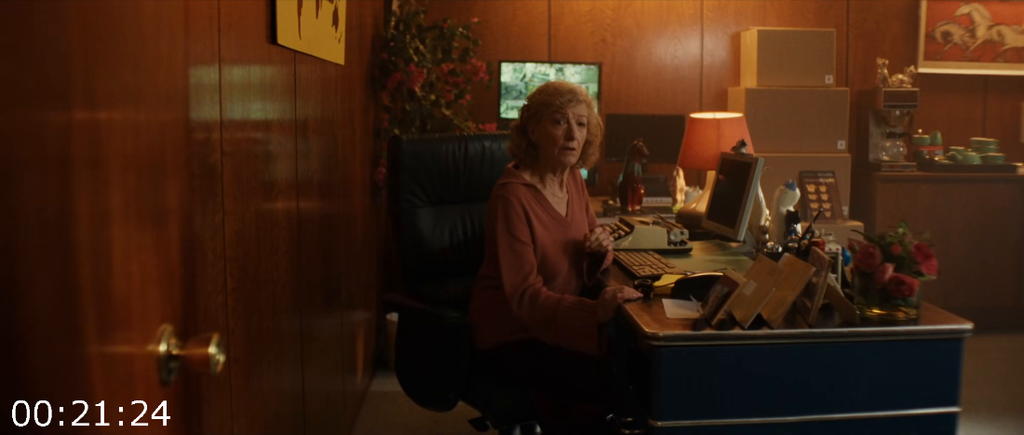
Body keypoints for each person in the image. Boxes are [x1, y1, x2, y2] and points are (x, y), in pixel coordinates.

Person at [468, 81, 642, 434]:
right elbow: (525, 298)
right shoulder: (512, 197)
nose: (572, 135)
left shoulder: (573, 179)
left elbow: (592, 247)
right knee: (619, 379)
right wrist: (593, 312)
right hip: (512, 334)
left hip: (555, 321)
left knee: (639, 361)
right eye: (559, 122)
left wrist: (599, 249)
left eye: (581, 123)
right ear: (533, 130)